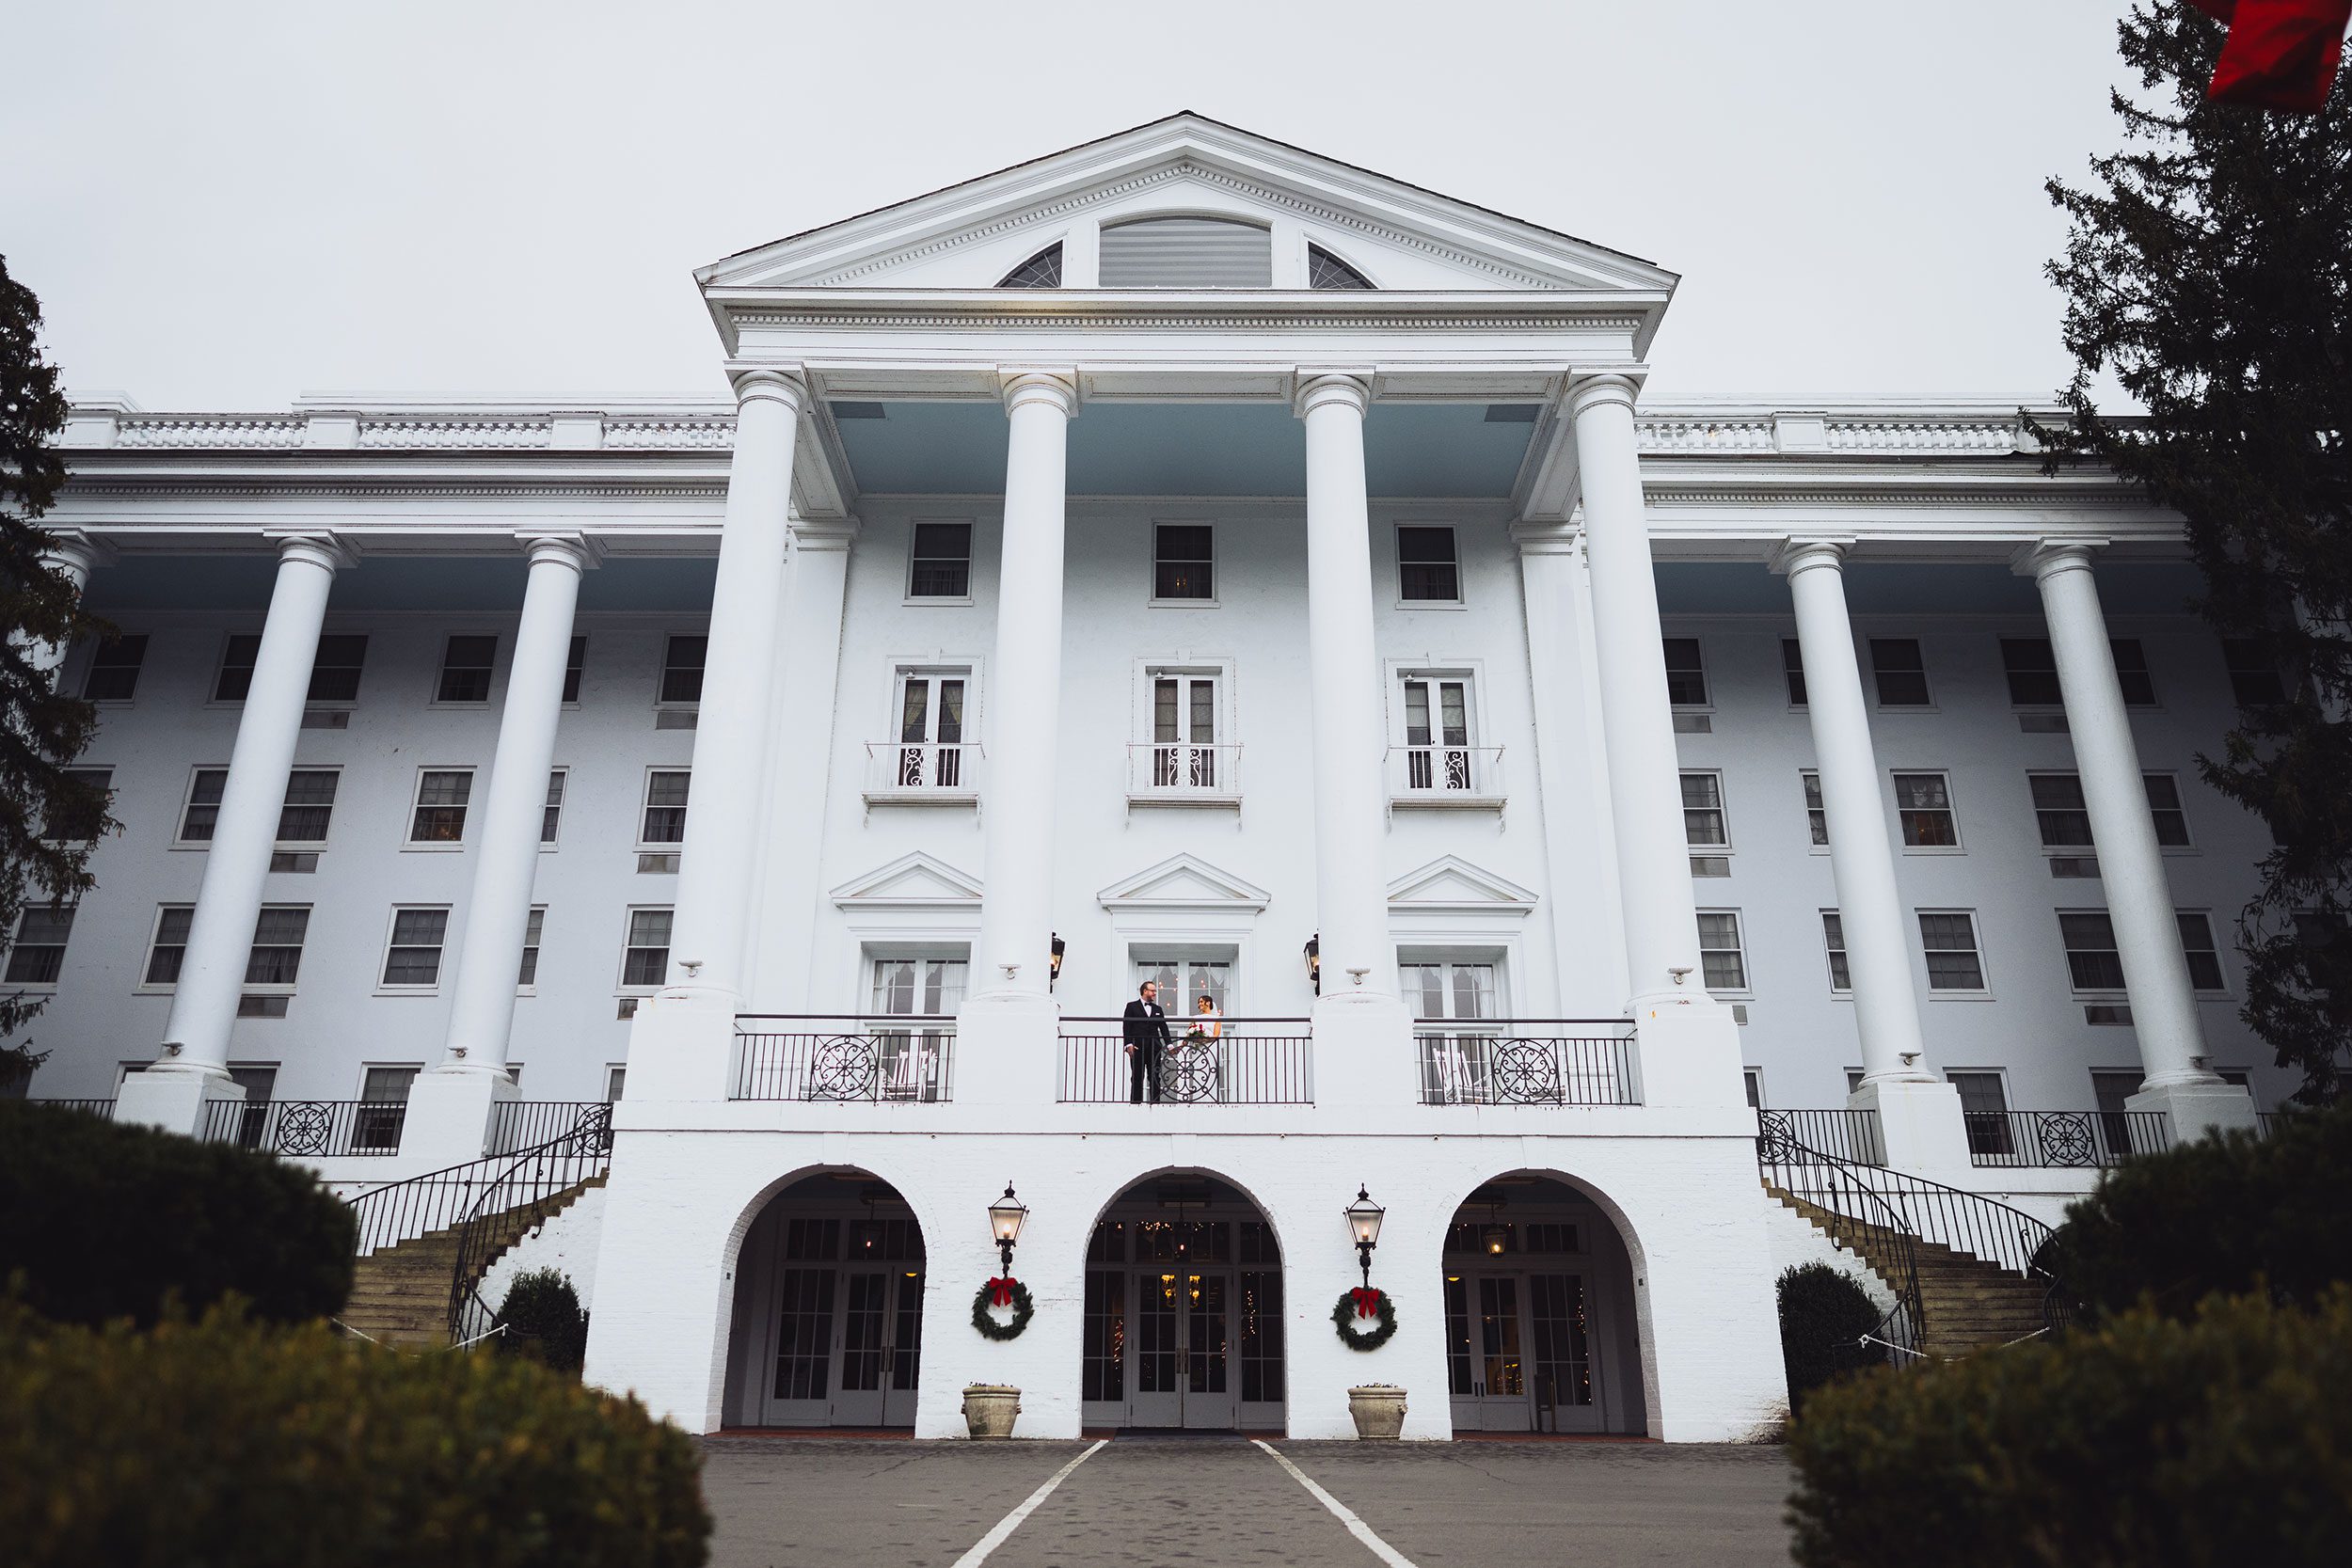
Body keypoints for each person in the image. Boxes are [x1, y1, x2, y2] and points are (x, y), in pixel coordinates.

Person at [1122, 979, 1173, 1104]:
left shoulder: (1158, 1009)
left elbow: (1163, 1027)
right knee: (1137, 1076)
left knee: (1155, 1077)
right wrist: (1128, 1044)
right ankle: (1136, 1103)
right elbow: (1126, 1026)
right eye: (1153, 991)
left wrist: (1170, 1045)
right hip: (1137, 1047)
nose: (1155, 993)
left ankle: (1155, 1103)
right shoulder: (1132, 1006)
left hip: (1154, 1048)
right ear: (1145, 991)